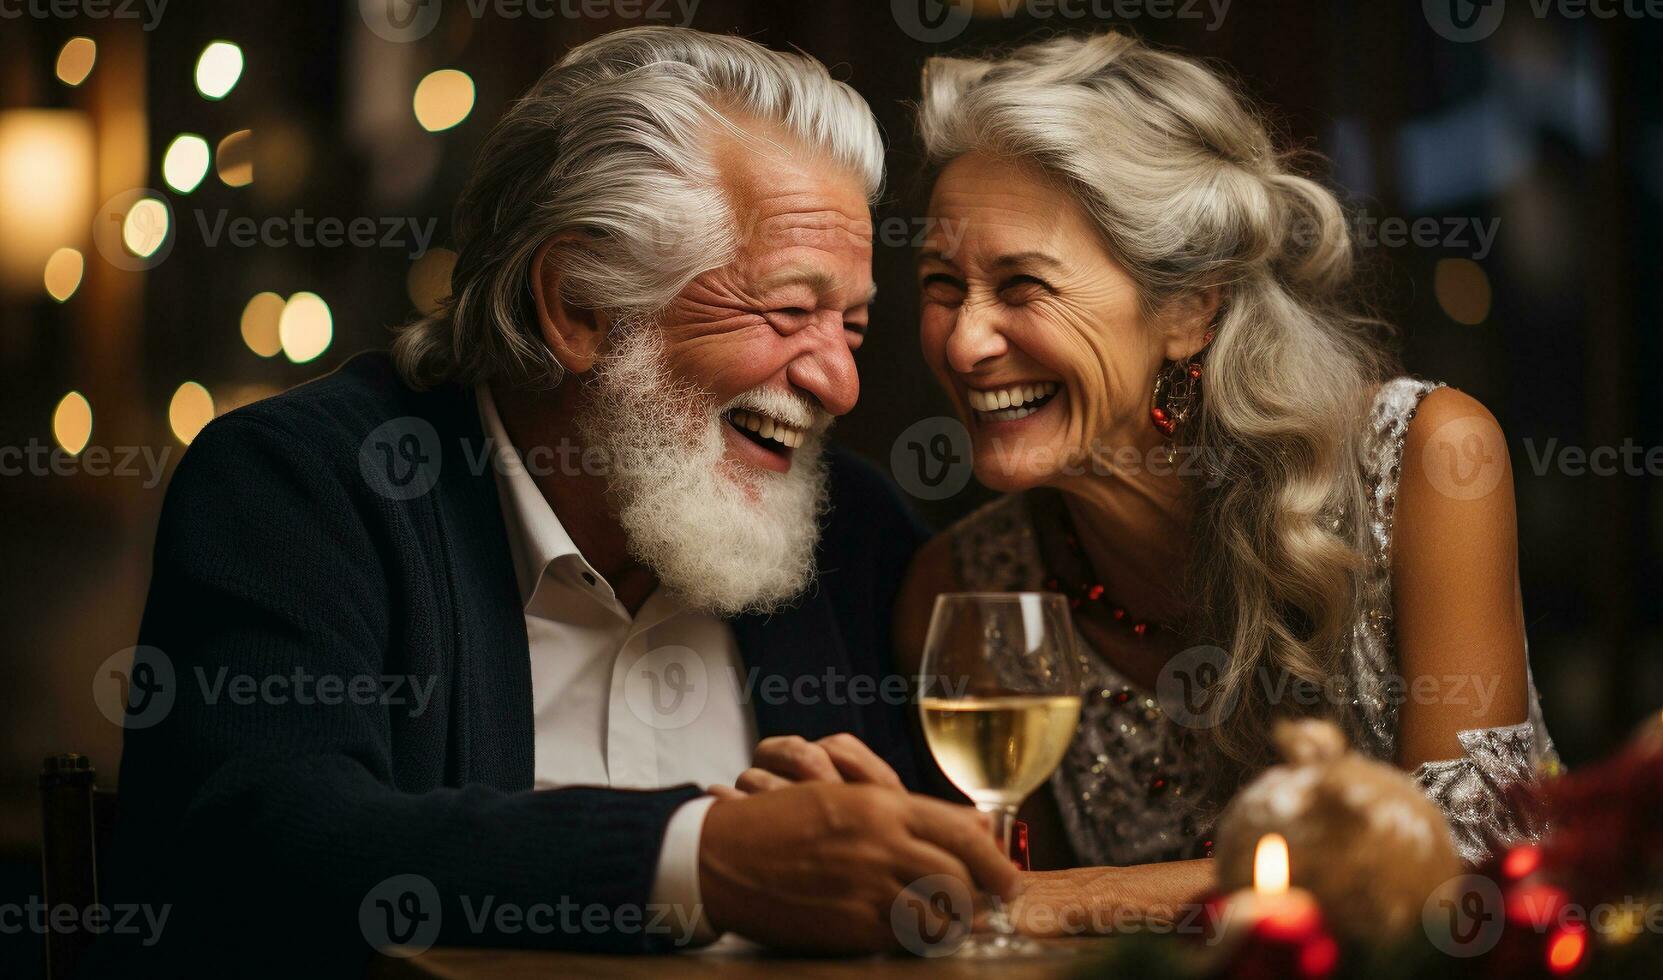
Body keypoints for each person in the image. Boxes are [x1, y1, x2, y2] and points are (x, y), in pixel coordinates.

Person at [95, 27, 1015, 976]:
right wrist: (700, 859)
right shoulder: (301, 487)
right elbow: (261, 846)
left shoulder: (854, 533)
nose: (839, 384)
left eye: (852, 326)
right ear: (575, 304)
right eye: (787, 311)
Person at [745, 32, 1560, 934]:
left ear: (1188, 306)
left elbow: (1468, 861)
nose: (966, 342)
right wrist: (892, 847)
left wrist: (1045, 901)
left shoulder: (1424, 462)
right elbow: (998, 931)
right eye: (943, 285)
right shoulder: (967, 591)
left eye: (1022, 286)